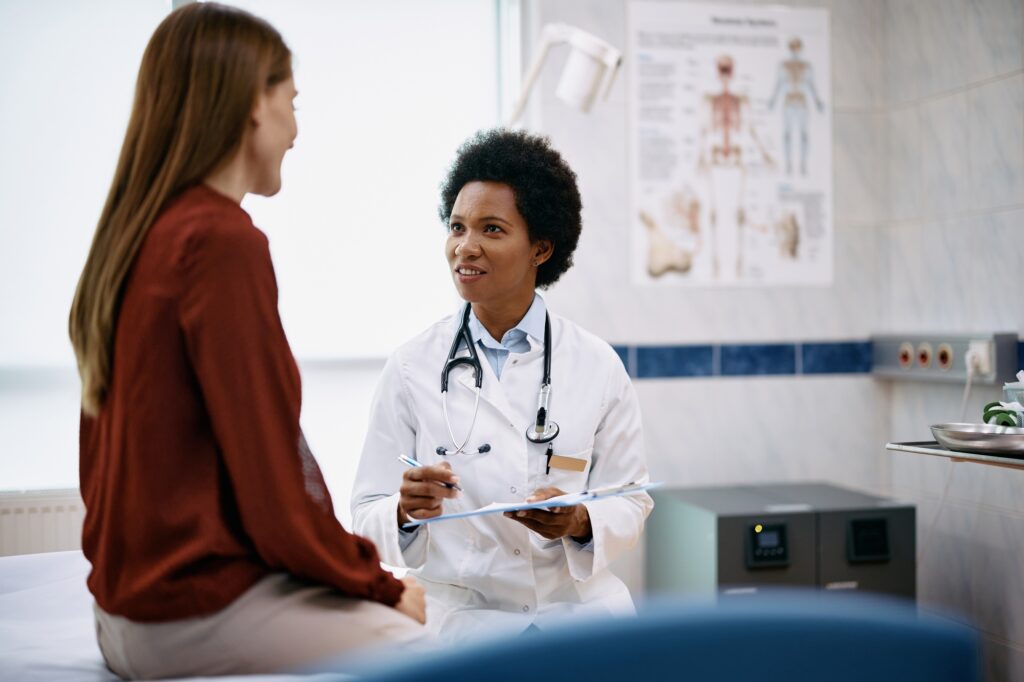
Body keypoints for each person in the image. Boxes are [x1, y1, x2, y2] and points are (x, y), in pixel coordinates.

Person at [68, 4, 425, 678]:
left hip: (120, 614)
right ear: (253, 104)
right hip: (184, 614)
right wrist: (379, 583)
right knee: (419, 647)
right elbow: (274, 483)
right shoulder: (220, 242)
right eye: (292, 101)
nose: (296, 128)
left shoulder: (137, 236)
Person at [351, 129, 653, 641]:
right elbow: (364, 512)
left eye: (491, 229)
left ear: (540, 247)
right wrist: (403, 511)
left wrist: (580, 520)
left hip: (577, 622)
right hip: (464, 627)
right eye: (457, 227)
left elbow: (630, 499)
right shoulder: (410, 367)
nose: (464, 248)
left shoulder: (596, 365)